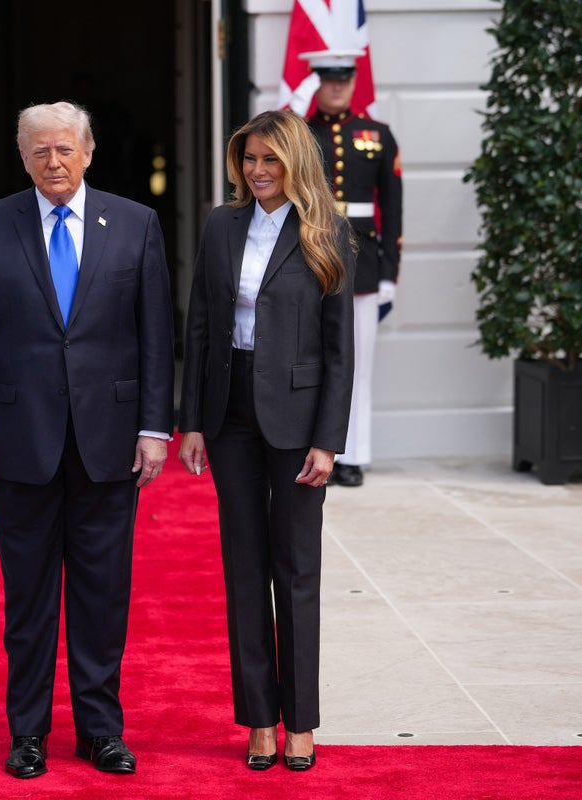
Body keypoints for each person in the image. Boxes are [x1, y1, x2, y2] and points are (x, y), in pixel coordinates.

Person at [0, 101, 175, 779]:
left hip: (110, 440)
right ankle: (28, 732)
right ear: (23, 158)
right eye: (40, 150)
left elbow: (156, 334)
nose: (54, 161)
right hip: (19, 441)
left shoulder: (135, 223)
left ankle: (100, 730)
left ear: (88, 152)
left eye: (65, 149)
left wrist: (154, 427)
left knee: (102, 596)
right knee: (29, 598)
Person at [178, 109, 355, 772]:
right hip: (231, 415)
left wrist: (328, 440)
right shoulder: (221, 225)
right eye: (249, 159)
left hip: (298, 419)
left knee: (297, 568)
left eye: (270, 160)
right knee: (245, 567)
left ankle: (300, 721)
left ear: (294, 162)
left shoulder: (328, 229)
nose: (257, 171)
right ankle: (259, 718)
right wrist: (193, 420)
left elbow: (340, 349)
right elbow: (200, 325)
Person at [301, 49, 403, 487]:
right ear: (317, 82)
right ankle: (305, 447)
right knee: (306, 359)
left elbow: (393, 210)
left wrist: (389, 273)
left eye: (344, 79)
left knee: (356, 363)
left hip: (362, 264)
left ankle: (352, 454)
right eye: (329, 79)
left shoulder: (378, 135)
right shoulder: (302, 134)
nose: (337, 87)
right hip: (311, 254)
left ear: (354, 82)